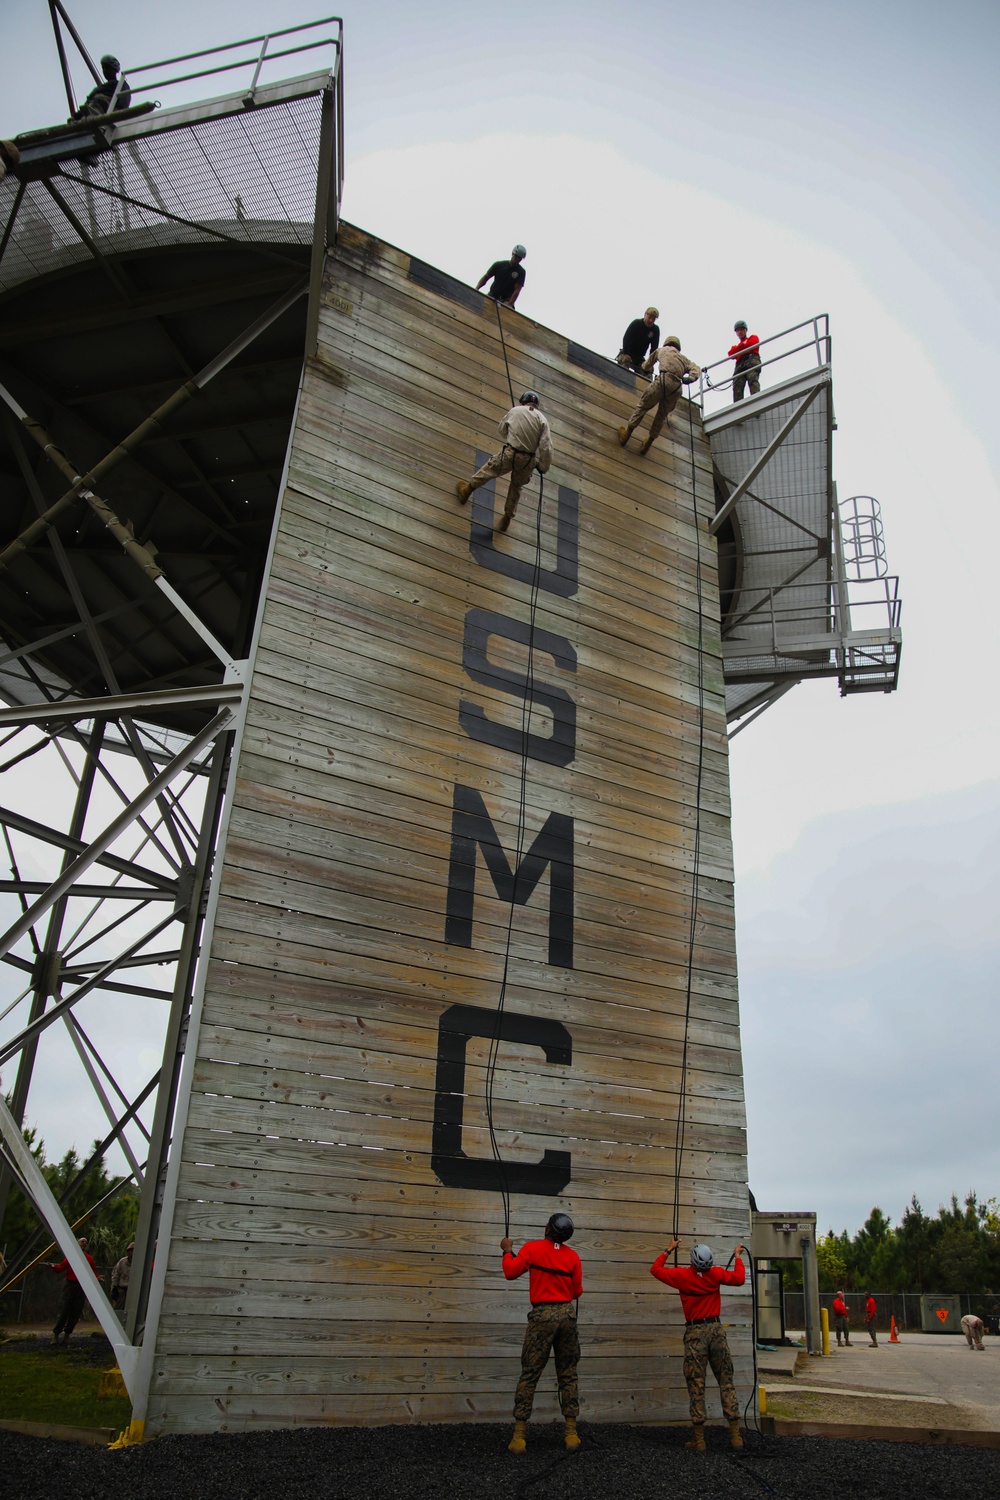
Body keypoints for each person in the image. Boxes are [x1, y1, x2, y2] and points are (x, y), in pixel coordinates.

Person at [650, 1238, 746, 1452]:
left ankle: (699, 1440)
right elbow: (739, 1279)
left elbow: (655, 1270)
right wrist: (738, 1257)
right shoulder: (717, 1273)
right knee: (726, 1379)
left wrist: (669, 1249)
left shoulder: (682, 1276)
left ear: (693, 1262)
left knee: (696, 1382)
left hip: (695, 1333)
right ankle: (735, 1436)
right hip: (716, 1330)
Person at [500, 1212, 583, 1455]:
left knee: (530, 1373)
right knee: (568, 1373)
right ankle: (571, 1434)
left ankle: (519, 1438)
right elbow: (576, 1291)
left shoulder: (532, 1249)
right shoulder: (573, 1256)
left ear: (549, 1229)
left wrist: (507, 1250)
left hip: (542, 1316)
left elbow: (510, 1272)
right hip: (567, 1316)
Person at [456, 389, 552, 533]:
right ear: (536, 405)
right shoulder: (542, 420)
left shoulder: (515, 410)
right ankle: (506, 519)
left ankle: (466, 491)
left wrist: (512, 434)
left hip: (510, 452)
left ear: (523, 401)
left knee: (489, 470)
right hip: (527, 460)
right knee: (516, 487)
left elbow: (502, 430)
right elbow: (546, 446)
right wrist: (543, 467)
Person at [617, 336, 700, 455]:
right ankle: (647, 444)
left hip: (662, 381)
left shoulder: (662, 350)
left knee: (642, 406)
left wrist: (643, 367)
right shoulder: (684, 359)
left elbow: (646, 366)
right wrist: (690, 378)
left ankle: (626, 435)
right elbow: (696, 369)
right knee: (661, 416)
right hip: (676, 389)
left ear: (667, 343)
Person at [50, 1237, 98, 1346]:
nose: (84, 1243)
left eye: (86, 1242)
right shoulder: (71, 1256)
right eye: (82, 1241)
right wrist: (53, 1267)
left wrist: (98, 1278)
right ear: (77, 1243)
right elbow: (60, 1268)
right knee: (63, 1311)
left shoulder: (89, 1258)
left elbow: (94, 1272)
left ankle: (67, 1335)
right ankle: (56, 1335)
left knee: (75, 1312)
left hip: (81, 1287)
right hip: (70, 1286)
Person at [70, 55, 132, 121]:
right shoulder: (98, 89)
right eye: (103, 68)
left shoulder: (120, 84)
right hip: (92, 108)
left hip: (105, 108)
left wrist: (119, 112)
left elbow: (124, 99)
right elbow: (87, 103)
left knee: (99, 99)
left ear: (114, 69)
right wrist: (75, 116)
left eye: (107, 68)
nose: (105, 70)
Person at [616, 307, 660, 373]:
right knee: (623, 365)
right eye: (650, 317)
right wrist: (626, 353)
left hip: (639, 358)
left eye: (653, 319)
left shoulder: (655, 330)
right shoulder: (636, 323)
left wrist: (650, 363)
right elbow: (626, 338)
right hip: (627, 353)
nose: (651, 320)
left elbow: (654, 348)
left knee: (648, 371)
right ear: (645, 315)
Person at [728, 321, 761, 402]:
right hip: (740, 367)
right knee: (737, 387)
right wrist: (744, 346)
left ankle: (757, 403)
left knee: (752, 381)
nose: (740, 332)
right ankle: (738, 409)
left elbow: (753, 343)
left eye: (741, 330)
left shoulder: (753, 338)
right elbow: (731, 354)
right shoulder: (735, 346)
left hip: (751, 363)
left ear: (746, 330)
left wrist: (739, 349)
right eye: (738, 330)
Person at [110, 1242, 134, 1312]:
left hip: (133, 1290)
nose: (132, 1253)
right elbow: (115, 1274)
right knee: (119, 1308)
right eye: (131, 1251)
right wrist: (114, 1288)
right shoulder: (122, 1261)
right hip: (122, 1288)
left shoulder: (139, 1263)